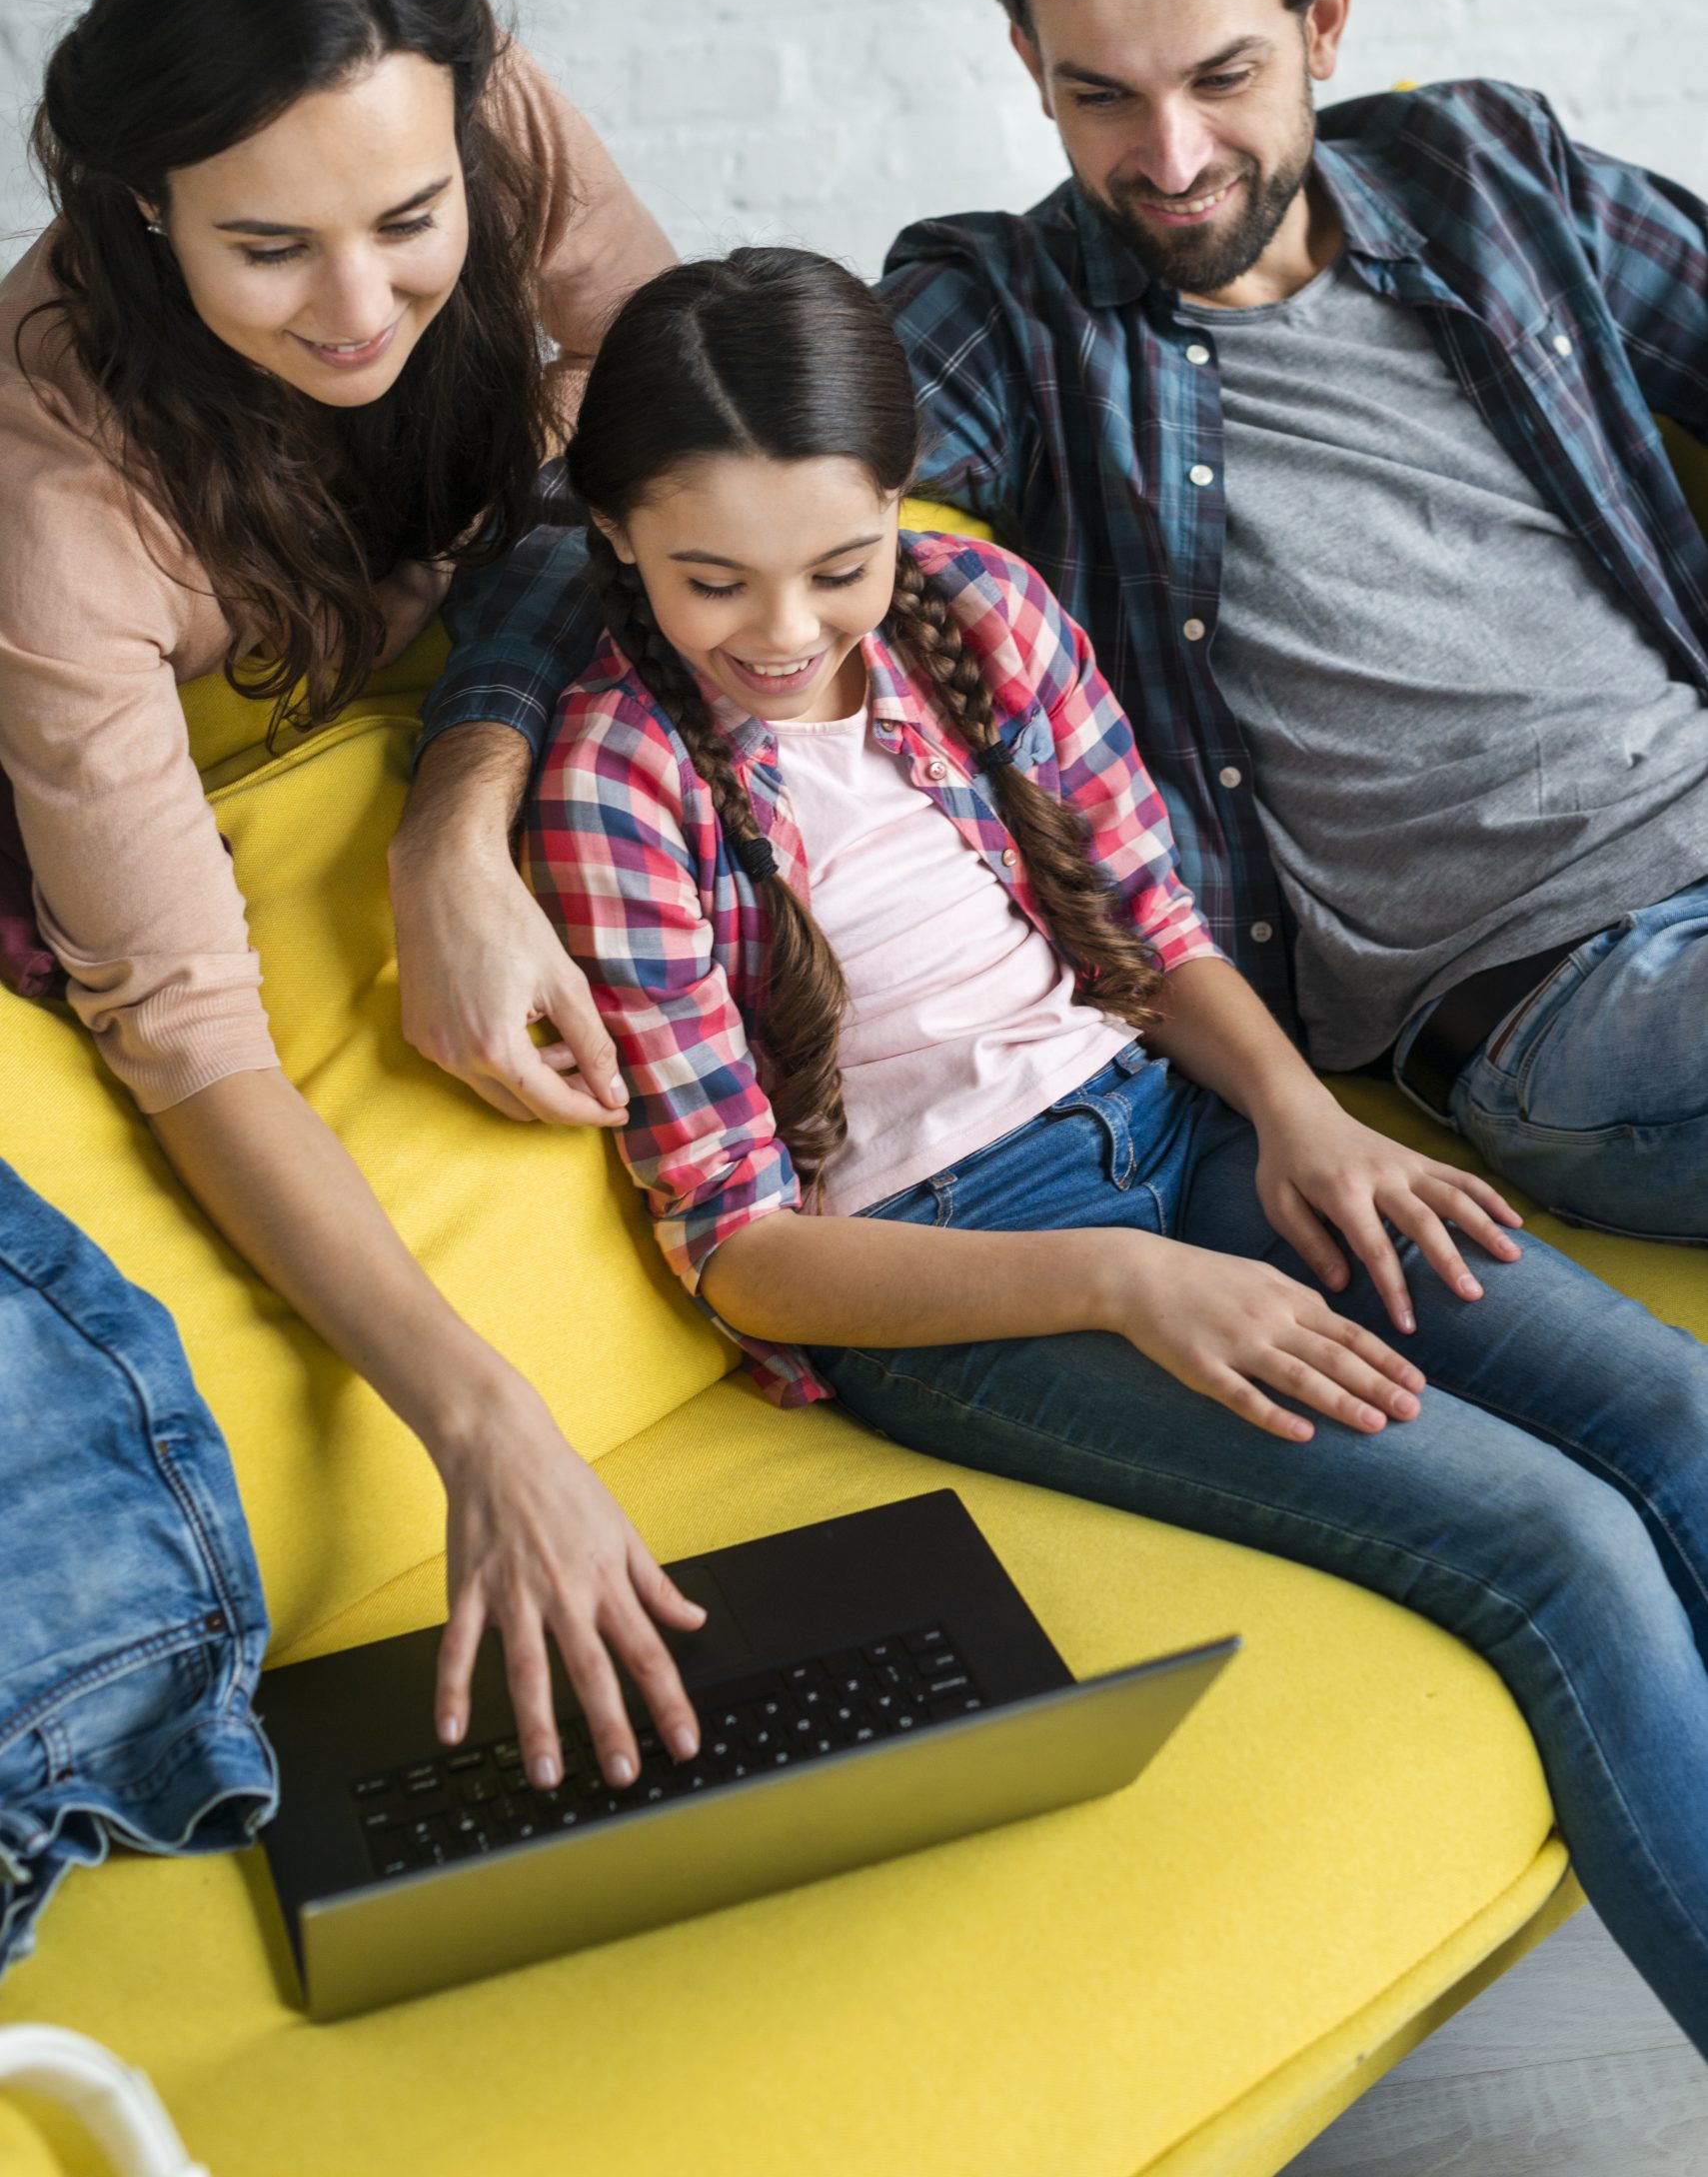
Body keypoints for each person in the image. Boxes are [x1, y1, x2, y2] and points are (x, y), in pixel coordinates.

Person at [523, 242, 1708, 2051]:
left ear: (896, 506)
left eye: (835, 567)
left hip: (1172, 1128)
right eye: (710, 580)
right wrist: (1130, 1278)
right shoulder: (617, 781)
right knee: (1559, 1541)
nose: (781, 632)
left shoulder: (971, 613)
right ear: (613, 536)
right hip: (959, 1270)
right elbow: (743, 1248)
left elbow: (1151, 934)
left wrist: (1301, 1120)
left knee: (1672, 1418)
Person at [410, 0, 1708, 1244]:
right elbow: (607, 517)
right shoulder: (1009, 320)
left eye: (1221, 79)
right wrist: (450, 841)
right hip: (1566, 989)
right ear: (1029, 65)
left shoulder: (1491, 175)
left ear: (1322, 20)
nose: (1167, 160)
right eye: (1100, 96)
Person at [0, 0, 710, 1794]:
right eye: (267, 250)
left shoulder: (489, 109)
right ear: (147, 208)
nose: (360, 303)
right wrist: (482, 1420)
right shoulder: (57, 502)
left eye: (412, 221)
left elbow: (671, 414)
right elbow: (189, 1026)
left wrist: (450, 815)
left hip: (417, 719)